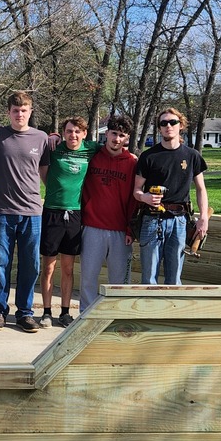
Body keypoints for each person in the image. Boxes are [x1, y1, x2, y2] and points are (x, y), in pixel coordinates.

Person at [0, 90, 50, 332]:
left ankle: (24, 313)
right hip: (3, 210)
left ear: (30, 112)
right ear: (8, 112)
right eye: (15, 110)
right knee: (2, 263)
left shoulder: (42, 138)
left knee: (30, 264)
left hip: (32, 211)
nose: (19, 114)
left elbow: (44, 173)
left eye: (24, 110)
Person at [133, 107, 210, 285]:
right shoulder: (148, 156)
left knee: (174, 277)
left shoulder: (192, 156)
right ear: (159, 128)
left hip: (180, 221)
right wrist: (144, 197)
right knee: (149, 277)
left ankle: (171, 313)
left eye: (173, 122)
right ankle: (149, 311)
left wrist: (203, 217)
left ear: (180, 125)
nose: (168, 126)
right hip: (151, 220)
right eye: (163, 123)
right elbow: (136, 190)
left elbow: (201, 189)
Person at [38, 116, 100, 327]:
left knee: (67, 268)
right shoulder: (54, 147)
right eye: (69, 131)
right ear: (63, 133)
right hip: (52, 212)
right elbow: (41, 142)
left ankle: (65, 312)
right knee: (48, 267)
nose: (73, 135)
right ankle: (46, 311)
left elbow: (114, 146)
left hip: (74, 214)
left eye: (77, 132)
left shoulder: (91, 149)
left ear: (84, 133)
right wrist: (52, 136)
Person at [79, 114, 138, 312]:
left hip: (120, 231)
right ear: (107, 134)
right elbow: (72, 141)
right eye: (114, 133)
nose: (117, 139)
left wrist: (130, 229)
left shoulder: (132, 163)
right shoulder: (92, 156)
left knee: (120, 280)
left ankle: (118, 317)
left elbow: (134, 199)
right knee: (88, 277)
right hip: (92, 226)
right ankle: (85, 316)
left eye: (122, 135)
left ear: (127, 138)